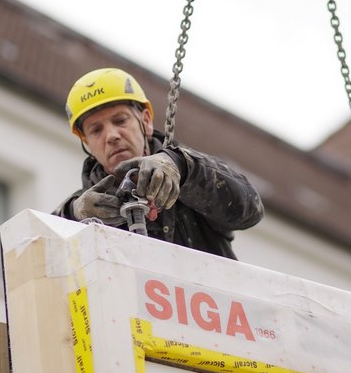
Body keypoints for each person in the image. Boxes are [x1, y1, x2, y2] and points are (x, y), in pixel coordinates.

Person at [54, 68, 263, 259]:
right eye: (96, 130)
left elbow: (250, 210)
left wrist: (182, 168)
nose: (111, 135)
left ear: (145, 121)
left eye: (120, 120)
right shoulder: (78, 211)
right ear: (86, 142)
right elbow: (42, 261)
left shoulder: (192, 176)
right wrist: (72, 216)